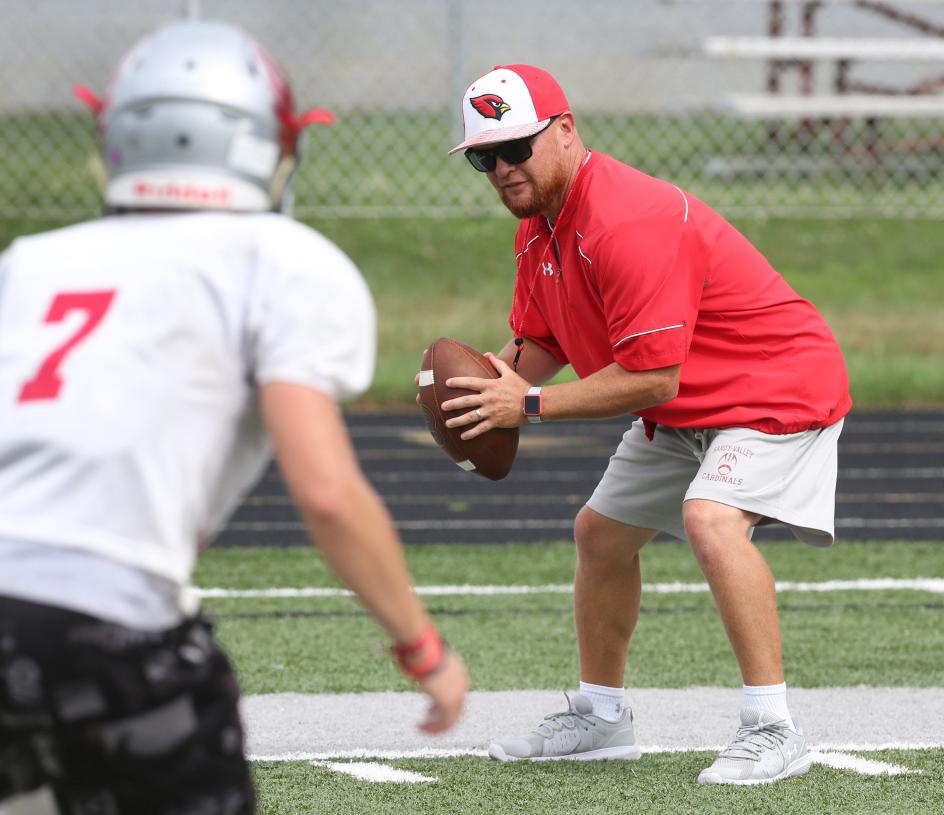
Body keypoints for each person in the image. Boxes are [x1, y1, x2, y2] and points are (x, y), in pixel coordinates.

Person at [0, 20, 468, 815]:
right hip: (111, 626)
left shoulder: (31, 262)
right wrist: (422, 647)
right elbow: (323, 488)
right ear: (264, 145)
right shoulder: (280, 260)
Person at [441, 64, 850, 784]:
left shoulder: (627, 219)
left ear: (565, 132)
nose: (502, 169)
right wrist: (483, 398)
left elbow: (654, 375)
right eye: (485, 156)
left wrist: (525, 407)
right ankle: (601, 718)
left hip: (773, 386)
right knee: (600, 535)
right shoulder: (539, 228)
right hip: (686, 402)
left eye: (517, 148)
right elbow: (542, 343)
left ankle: (774, 725)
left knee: (711, 519)